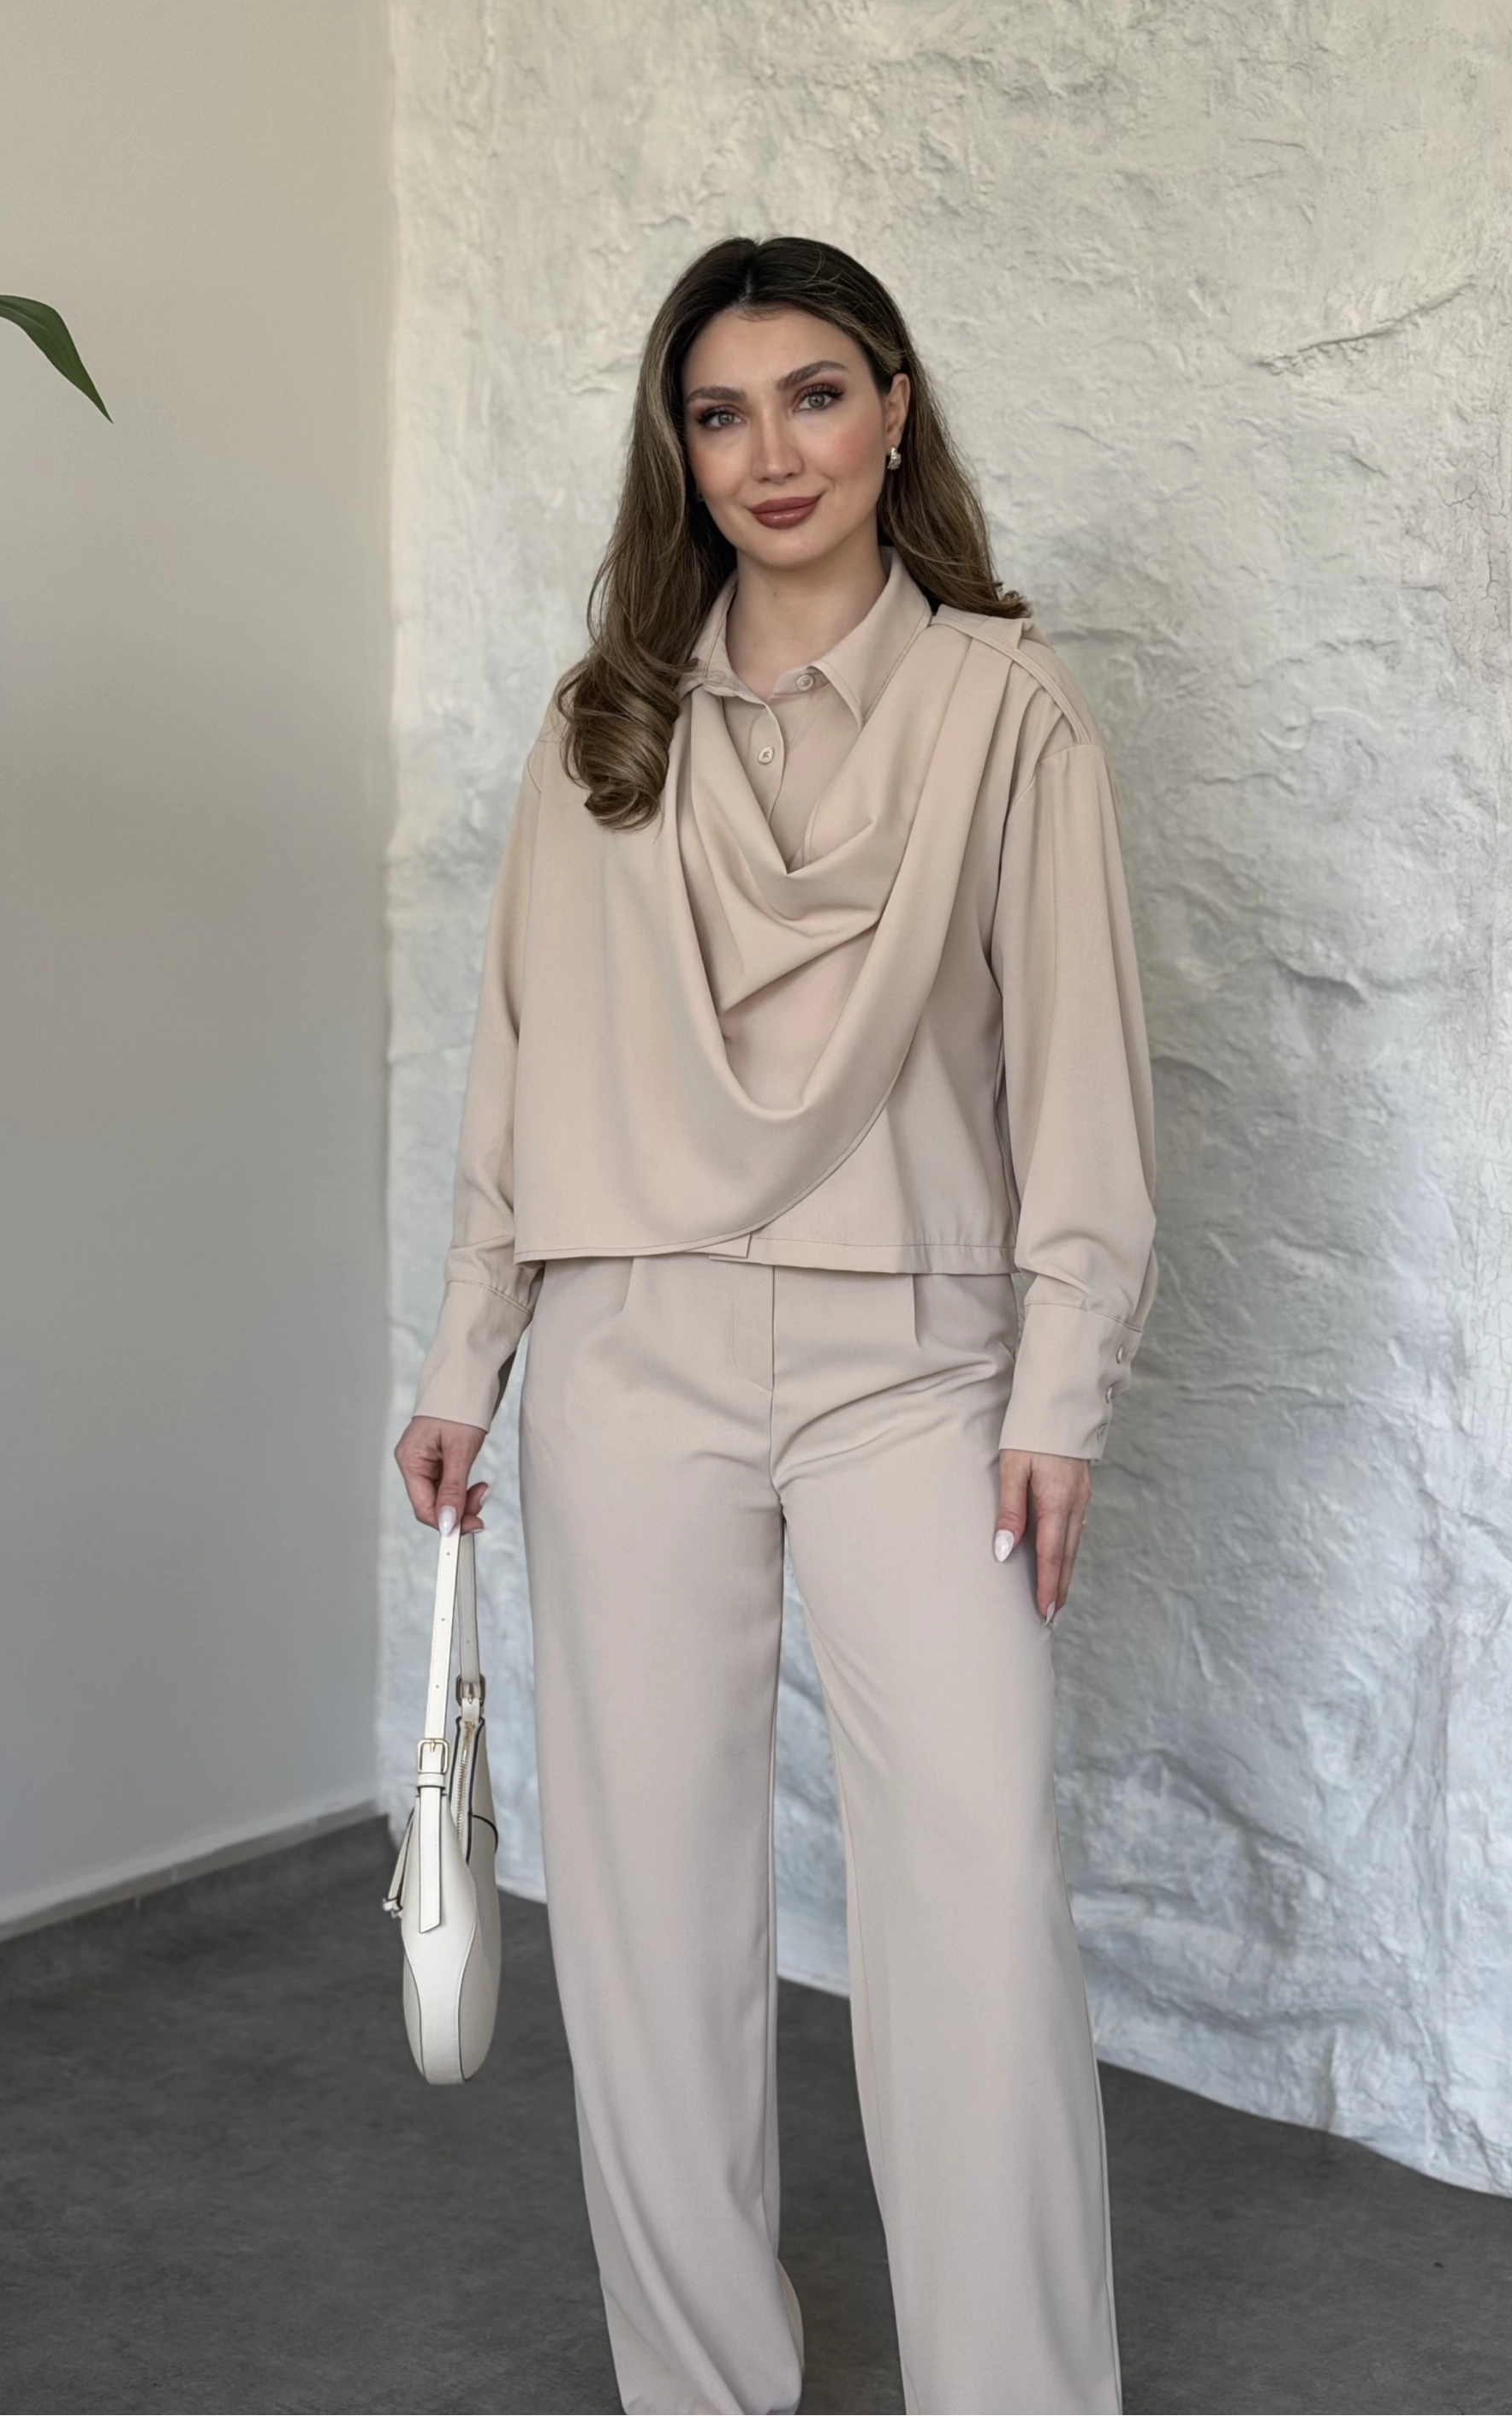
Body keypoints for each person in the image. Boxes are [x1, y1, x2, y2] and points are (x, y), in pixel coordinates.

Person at [395, 233, 1158, 2416]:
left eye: (813, 395)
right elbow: (519, 1060)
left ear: (893, 409)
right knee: (645, 1915)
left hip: (911, 1359)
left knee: (975, 1892)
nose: (770, 452)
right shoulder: (601, 724)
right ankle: (699, 2389)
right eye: (718, 413)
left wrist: (1059, 1389)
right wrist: (466, 1360)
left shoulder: (1005, 712)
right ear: (681, 449)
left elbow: (1078, 1080)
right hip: (624, 1349)